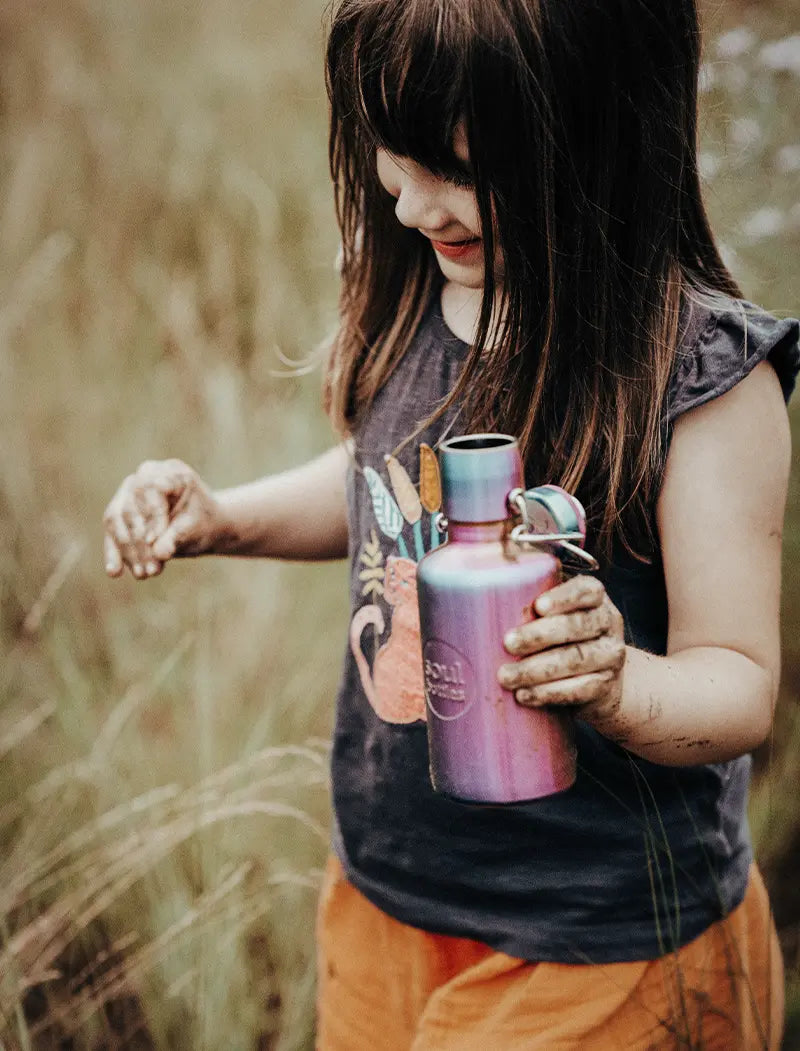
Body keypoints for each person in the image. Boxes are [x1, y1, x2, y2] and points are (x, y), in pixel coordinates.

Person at [103, 0, 800, 1047]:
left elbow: (737, 682)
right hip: (391, 896)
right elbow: (379, 479)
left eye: (459, 168)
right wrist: (222, 519)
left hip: (600, 939)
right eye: (394, 157)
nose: (411, 207)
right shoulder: (419, 287)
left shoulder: (698, 384)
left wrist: (616, 684)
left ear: (603, 131)